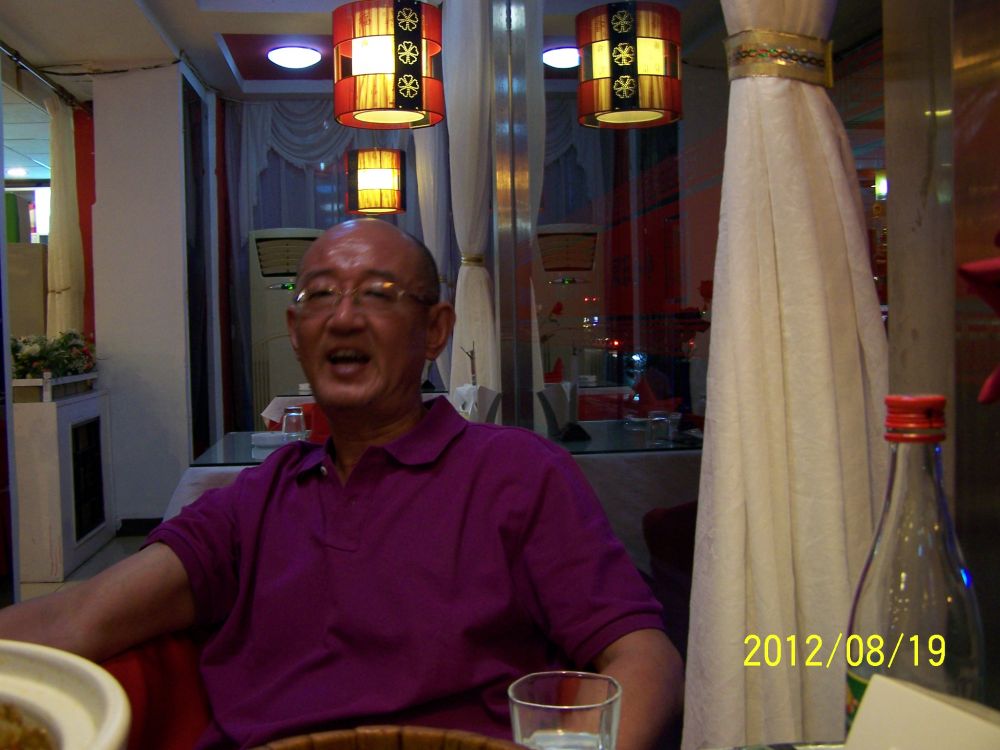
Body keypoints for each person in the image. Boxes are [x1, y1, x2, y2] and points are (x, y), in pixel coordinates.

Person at [0, 219, 683, 750]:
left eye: (379, 294)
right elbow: (77, 617)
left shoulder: (518, 473)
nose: (344, 317)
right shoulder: (253, 502)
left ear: (435, 330)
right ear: (297, 333)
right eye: (320, 295)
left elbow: (640, 652)